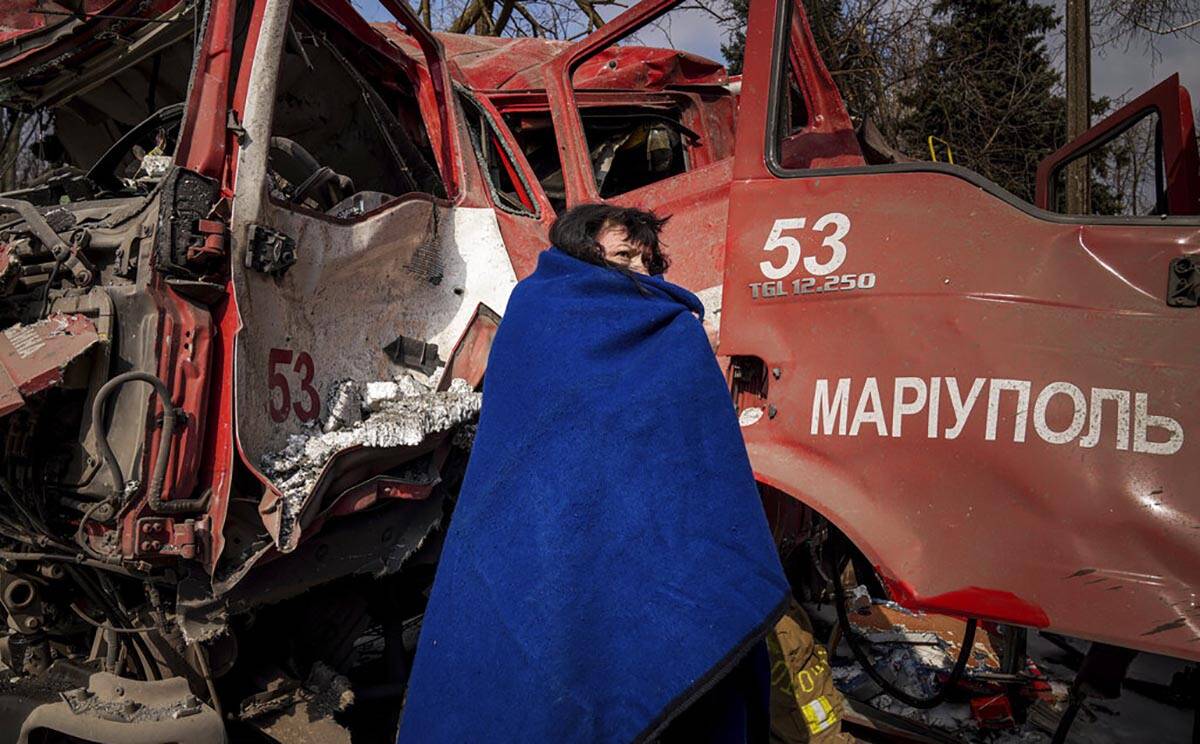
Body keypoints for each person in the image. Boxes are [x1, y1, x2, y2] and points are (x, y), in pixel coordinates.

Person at [397, 204, 791, 743]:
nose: (640, 270)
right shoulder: (534, 315)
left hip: (649, 547)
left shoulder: (672, 331)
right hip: (542, 542)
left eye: (648, 261)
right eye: (624, 254)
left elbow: (697, 462)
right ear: (582, 253)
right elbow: (524, 444)